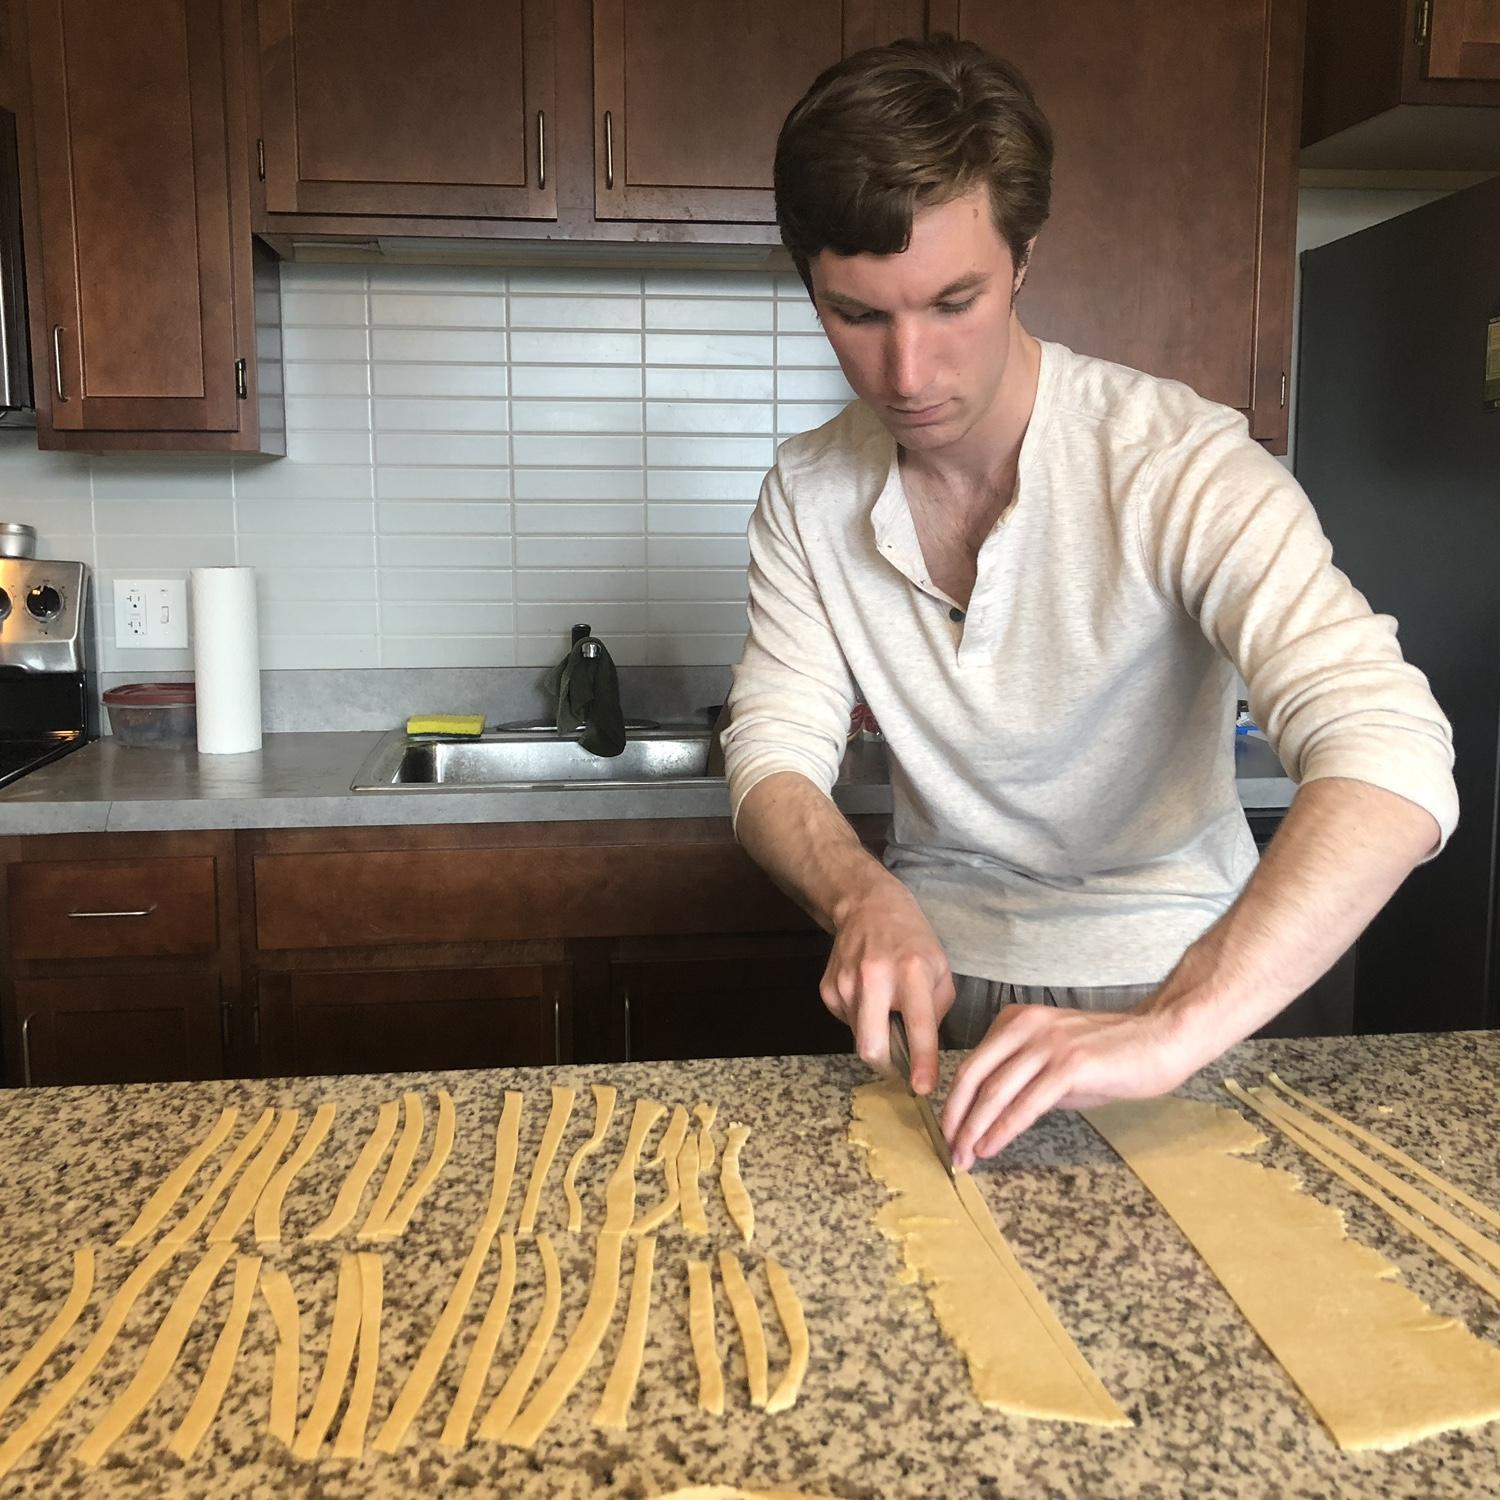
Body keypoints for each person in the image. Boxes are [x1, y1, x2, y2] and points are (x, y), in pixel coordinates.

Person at [719, 36, 1457, 1170]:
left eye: (952, 301)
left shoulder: (1175, 464)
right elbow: (772, 750)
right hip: (930, 992)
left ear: (1025, 260)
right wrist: (856, 893)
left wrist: (1172, 1025)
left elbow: (1393, 753)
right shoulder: (808, 492)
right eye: (858, 316)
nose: (907, 375)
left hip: (1178, 991)